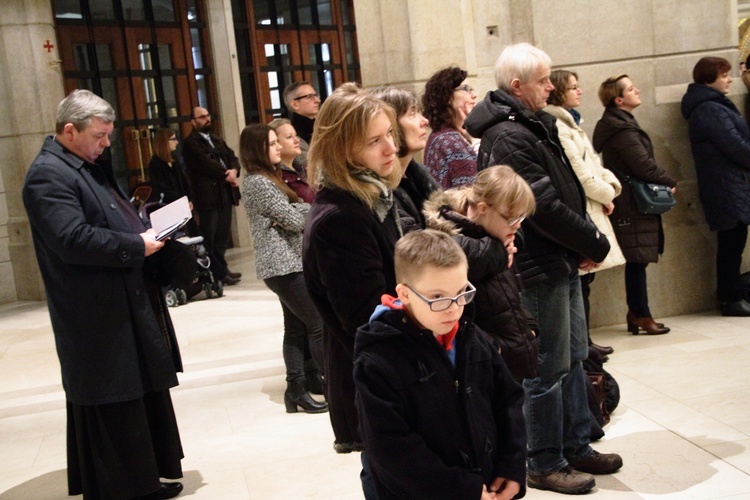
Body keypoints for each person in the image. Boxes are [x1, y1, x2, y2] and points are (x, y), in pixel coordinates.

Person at [465, 43, 622, 495]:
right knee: (546, 366)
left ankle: (574, 443)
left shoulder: (529, 123)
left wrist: (577, 249)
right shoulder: (510, 135)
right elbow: (543, 207)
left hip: (558, 259)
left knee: (573, 356)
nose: (551, 86)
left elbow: (562, 187)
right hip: (537, 265)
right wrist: (592, 240)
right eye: (543, 80)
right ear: (517, 86)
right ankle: (543, 459)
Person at [22, 89, 184, 499]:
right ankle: (125, 489)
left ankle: (143, 480)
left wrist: (144, 225)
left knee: (139, 392)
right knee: (115, 398)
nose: (107, 144)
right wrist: (136, 246)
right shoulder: (47, 174)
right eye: (100, 136)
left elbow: (108, 213)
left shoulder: (85, 163)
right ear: (70, 130)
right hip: (93, 310)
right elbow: (70, 238)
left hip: (122, 295)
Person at [353, 229, 526, 500]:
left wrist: (512, 465)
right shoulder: (379, 359)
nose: (453, 308)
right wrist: (462, 489)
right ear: (405, 293)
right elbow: (390, 449)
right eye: (437, 297)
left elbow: (508, 400)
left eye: (461, 293)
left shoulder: (472, 337)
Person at [302, 83, 401, 498]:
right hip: (376, 378)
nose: (390, 147)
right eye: (374, 141)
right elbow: (368, 318)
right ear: (343, 150)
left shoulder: (371, 197)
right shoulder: (340, 218)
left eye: (390, 134)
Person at [239, 123, 327, 414]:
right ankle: (333, 382)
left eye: (279, 141)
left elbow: (297, 210)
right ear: (258, 150)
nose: (279, 147)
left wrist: (297, 209)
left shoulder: (271, 177)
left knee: (297, 328)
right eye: (272, 143)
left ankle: (299, 388)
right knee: (317, 324)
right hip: (282, 265)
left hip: (287, 262)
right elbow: (298, 220)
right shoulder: (257, 182)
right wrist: (298, 210)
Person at [424, 165, 539, 382]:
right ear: (484, 208)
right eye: (512, 219)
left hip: (508, 361)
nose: (516, 227)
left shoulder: (498, 241)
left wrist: (529, 327)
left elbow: (510, 294)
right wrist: (491, 347)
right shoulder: (454, 245)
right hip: (481, 369)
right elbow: (453, 315)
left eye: (521, 220)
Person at [545, 70, 626, 358]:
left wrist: (611, 187)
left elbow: (594, 163)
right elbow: (580, 176)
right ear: (558, 93)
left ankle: (586, 341)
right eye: (573, 88)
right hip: (585, 207)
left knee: (586, 281)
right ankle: (584, 343)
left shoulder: (572, 122)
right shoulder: (558, 125)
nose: (579, 92)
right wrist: (607, 194)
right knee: (581, 279)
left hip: (597, 201)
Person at [592, 75, 677, 334]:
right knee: (637, 259)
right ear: (619, 100)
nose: (637, 90)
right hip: (631, 203)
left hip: (631, 200)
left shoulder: (620, 124)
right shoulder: (621, 130)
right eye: (631, 89)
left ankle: (638, 313)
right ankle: (641, 314)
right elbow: (642, 165)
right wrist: (669, 181)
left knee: (638, 259)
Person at [681, 56, 750, 316]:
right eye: (724, 75)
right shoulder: (709, 108)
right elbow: (735, 146)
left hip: (728, 184)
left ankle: (732, 295)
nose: (729, 79)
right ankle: (730, 298)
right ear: (709, 79)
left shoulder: (713, 105)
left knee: (733, 241)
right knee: (732, 243)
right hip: (725, 186)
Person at [181, 106, 242, 285]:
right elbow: (206, 164)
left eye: (208, 115)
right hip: (207, 196)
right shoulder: (191, 143)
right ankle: (215, 272)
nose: (207, 119)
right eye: (202, 117)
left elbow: (232, 157)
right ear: (193, 122)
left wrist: (234, 170)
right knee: (210, 236)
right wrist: (227, 174)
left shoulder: (215, 139)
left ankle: (222, 268)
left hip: (225, 193)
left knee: (222, 236)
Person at [371, 86, 441, 233]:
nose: (425, 121)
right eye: (412, 114)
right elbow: (420, 244)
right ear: (392, 125)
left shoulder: (415, 175)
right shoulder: (380, 191)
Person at [422, 67, 479, 189]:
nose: (474, 95)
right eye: (466, 89)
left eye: (472, 89)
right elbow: (473, 189)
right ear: (447, 97)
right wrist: (476, 141)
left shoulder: (449, 135)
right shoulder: (448, 140)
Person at [268, 118, 315, 203]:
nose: (297, 140)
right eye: (289, 137)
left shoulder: (303, 169)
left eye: (296, 135)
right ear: (276, 143)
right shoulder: (276, 178)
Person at [283, 81, 321, 153]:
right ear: (295, 104)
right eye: (309, 97)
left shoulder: (320, 125)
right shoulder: (294, 134)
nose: (317, 100)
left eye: (316, 95)